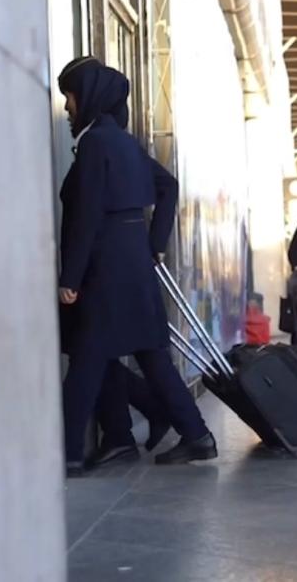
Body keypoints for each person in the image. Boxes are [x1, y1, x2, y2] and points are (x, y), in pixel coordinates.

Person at [56, 57, 216, 475]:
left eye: (70, 96)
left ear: (88, 96)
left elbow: (88, 214)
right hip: (132, 264)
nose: (67, 106)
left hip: (105, 269)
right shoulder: (122, 142)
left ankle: (68, 454)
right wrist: (153, 245)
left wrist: (70, 277)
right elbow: (168, 186)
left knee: (87, 360)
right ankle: (192, 435)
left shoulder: (96, 144)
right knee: (148, 354)